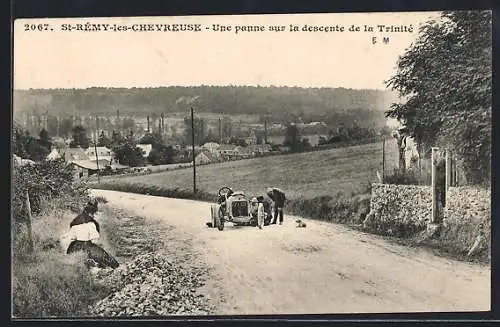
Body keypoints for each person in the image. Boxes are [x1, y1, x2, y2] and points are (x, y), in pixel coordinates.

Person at [64, 199, 119, 269]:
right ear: (94, 210)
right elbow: (95, 240)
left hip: (74, 247)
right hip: (88, 246)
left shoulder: (74, 221)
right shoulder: (93, 223)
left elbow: (72, 236)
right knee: (114, 265)